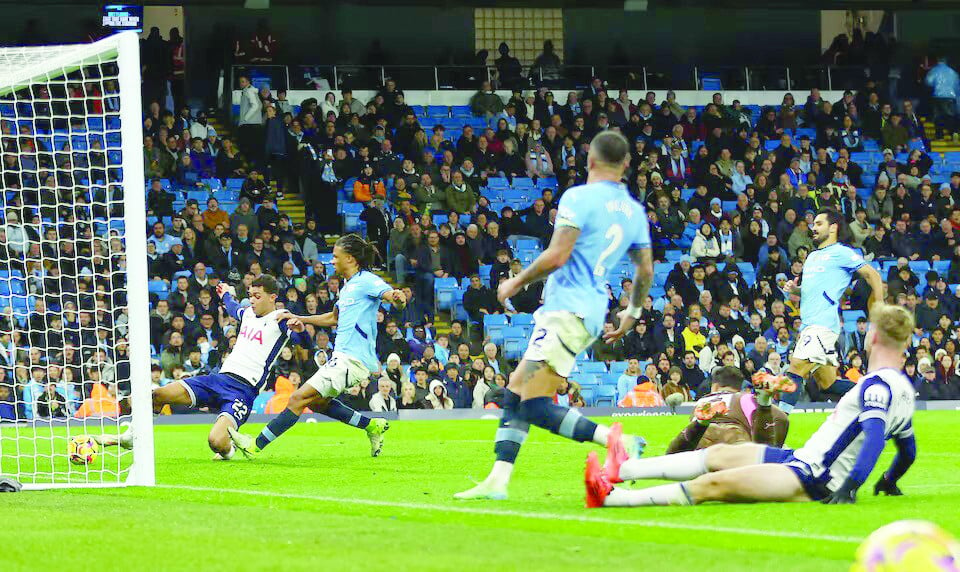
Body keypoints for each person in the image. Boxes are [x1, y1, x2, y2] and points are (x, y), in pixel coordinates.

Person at [454, 131, 653, 501]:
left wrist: (515, 282)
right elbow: (645, 272)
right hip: (590, 311)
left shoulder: (578, 197)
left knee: (532, 404)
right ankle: (497, 480)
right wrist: (632, 312)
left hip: (566, 309)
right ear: (626, 165)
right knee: (516, 391)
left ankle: (618, 440)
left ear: (590, 160)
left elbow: (558, 254)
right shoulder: (635, 212)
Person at [585, 303, 918, 508]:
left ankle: (613, 497)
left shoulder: (876, 385)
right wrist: (888, 480)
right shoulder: (902, 390)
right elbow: (908, 452)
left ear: (872, 337)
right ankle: (621, 470)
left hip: (813, 477)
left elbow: (874, 437)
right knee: (720, 456)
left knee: (715, 484)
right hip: (803, 458)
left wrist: (851, 486)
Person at [228, 235, 407, 459]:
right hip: (342, 357)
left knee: (297, 399)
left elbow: (391, 296)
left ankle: (255, 445)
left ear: (350, 259)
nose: (332, 261)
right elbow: (334, 319)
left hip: (352, 359)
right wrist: (299, 317)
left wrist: (398, 298)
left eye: (335, 256)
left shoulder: (367, 280)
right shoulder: (348, 287)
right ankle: (372, 426)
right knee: (319, 403)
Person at [97, 275, 313, 459]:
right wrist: (226, 293)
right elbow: (232, 306)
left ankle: (229, 452)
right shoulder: (247, 314)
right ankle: (132, 437)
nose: (252, 301)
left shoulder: (281, 319)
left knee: (216, 442)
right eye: (250, 295)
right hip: (217, 379)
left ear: (273, 297)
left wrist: (301, 329)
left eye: (257, 296)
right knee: (158, 395)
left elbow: (306, 344)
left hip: (242, 391)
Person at [777, 208, 884, 413]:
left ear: (833, 227)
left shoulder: (842, 252)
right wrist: (795, 289)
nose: (813, 228)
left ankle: (775, 427)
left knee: (796, 369)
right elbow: (810, 289)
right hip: (809, 325)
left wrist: (878, 314)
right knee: (829, 384)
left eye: (819, 224)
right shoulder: (812, 257)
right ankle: (873, 399)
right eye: (813, 225)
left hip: (822, 325)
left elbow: (874, 276)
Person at [664, 366, 789, 454]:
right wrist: (776, 446)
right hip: (735, 443)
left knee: (677, 450)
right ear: (739, 387)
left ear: (716, 386)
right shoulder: (745, 398)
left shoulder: (702, 401)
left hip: (702, 449)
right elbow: (781, 417)